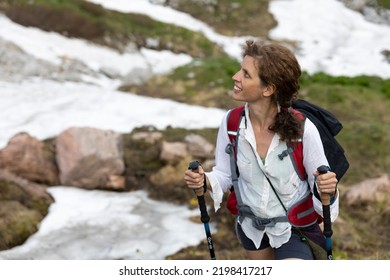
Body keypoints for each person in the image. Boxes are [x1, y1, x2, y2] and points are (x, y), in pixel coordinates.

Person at [183, 40, 339, 260]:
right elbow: (225, 175)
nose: (235, 77)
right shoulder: (232, 123)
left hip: (293, 229)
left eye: (246, 74)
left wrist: (327, 188)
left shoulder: (303, 129)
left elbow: (322, 186)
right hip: (251, 228)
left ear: (268, 89)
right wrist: (204, 180)